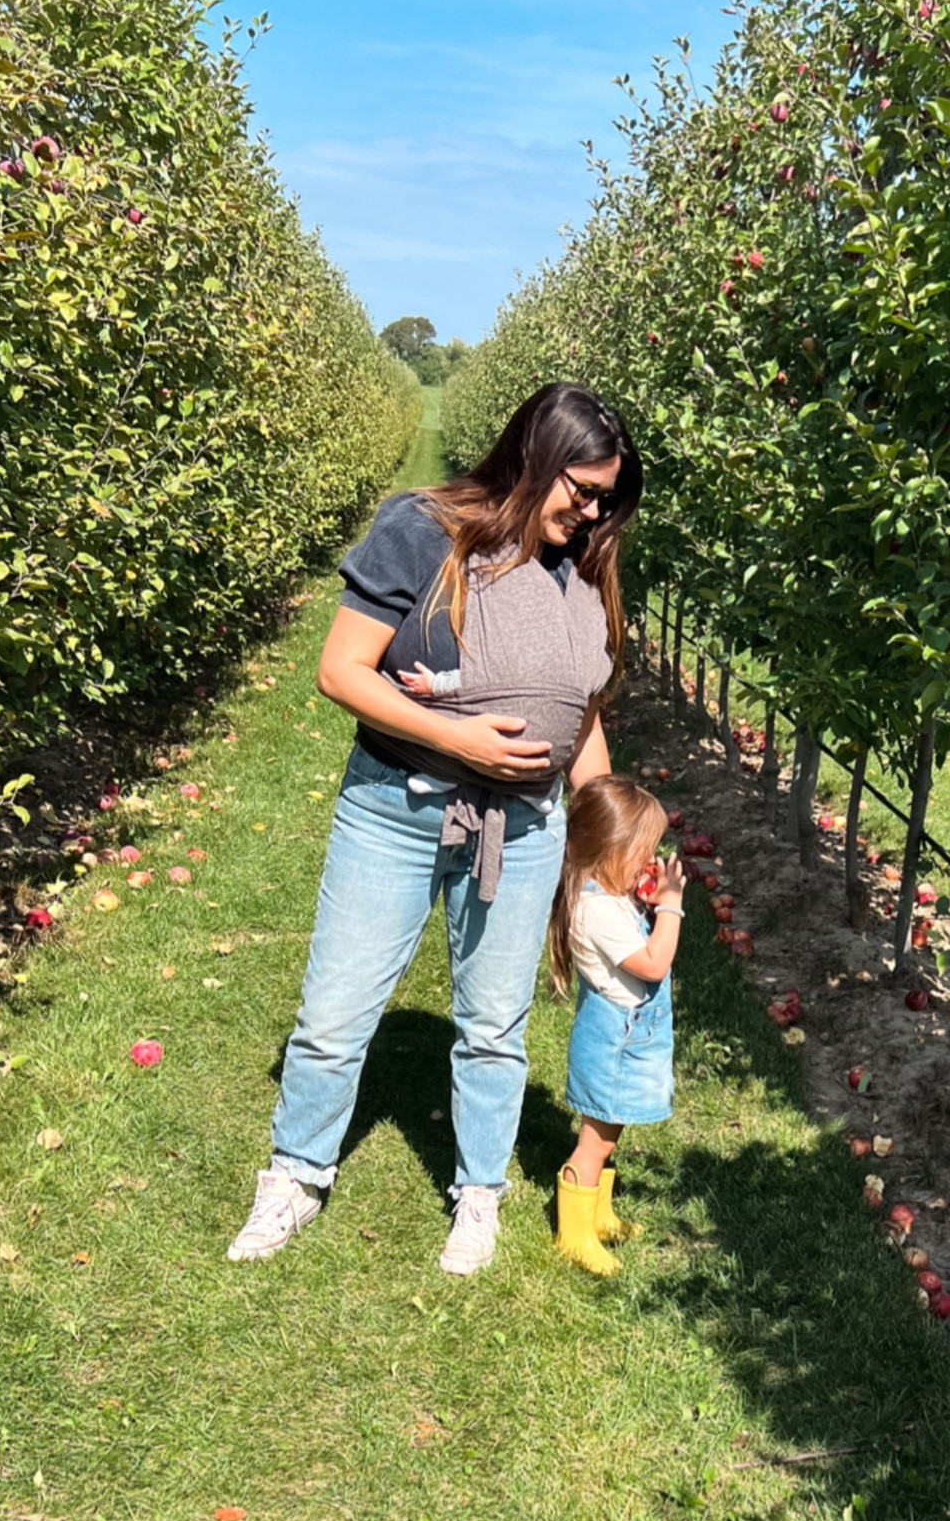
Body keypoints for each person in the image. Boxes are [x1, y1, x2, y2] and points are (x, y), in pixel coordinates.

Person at [228, 383, 644, 1274]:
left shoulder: (579, 565)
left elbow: (583, 711)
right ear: (534, 459)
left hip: (526, 827)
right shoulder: (423, 528)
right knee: (335, 1014)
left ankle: (478, 1192)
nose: (593, 508)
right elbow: (342, 671)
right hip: (399, 807)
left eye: (607, 495)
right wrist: (459, 738)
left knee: (496, 1024)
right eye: (582, 487)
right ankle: (296, 1174)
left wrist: (608, 841)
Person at [547, 775, 686, 1276]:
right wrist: (670, 907)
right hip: (615, 1040)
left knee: (612, 1129)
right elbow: (652, 964)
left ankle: (598, 1214)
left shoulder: (609, 897)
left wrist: (647, 902)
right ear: (610, 851)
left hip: (631, 1032)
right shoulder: (597, 910)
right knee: (595, 1140)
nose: (651, 862)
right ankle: (574, 1232)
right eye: (643, 852)